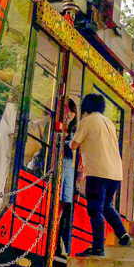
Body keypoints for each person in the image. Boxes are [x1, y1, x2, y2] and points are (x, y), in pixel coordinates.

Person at [71, 92, 131, 257]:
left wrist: (65, 140)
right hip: (115, 173)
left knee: (94, 210)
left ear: (86, 107)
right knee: (106, 206)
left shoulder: (87, 121)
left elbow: (74, 145)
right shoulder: (109, 122)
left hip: (97, 172)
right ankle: (122, 234)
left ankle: (98, 248)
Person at [57, 98, 77, 256]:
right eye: (66, 110)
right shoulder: (53, 125)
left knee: (63, 204)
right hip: (57, 167)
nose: (69, 114)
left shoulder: (75, 132)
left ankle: (57, 239)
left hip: (68, 170)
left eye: (71, 110)